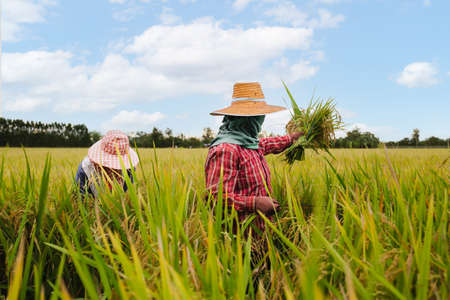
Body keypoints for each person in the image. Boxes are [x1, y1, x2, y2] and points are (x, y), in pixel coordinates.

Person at [205, 82, 304, 234]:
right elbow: (216, 198)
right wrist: (255, 202)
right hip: (240, 239)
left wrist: (294, 138)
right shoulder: (225, 150)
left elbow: (269, 143)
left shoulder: (251, 144)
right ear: (245, 119)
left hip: (262, 231)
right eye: (257, 116)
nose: (260, 120)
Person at [75, 130, 139, 198]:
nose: (113, 168)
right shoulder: (85, 169)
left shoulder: (128, 168)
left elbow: (127, 193)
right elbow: (81, 197)